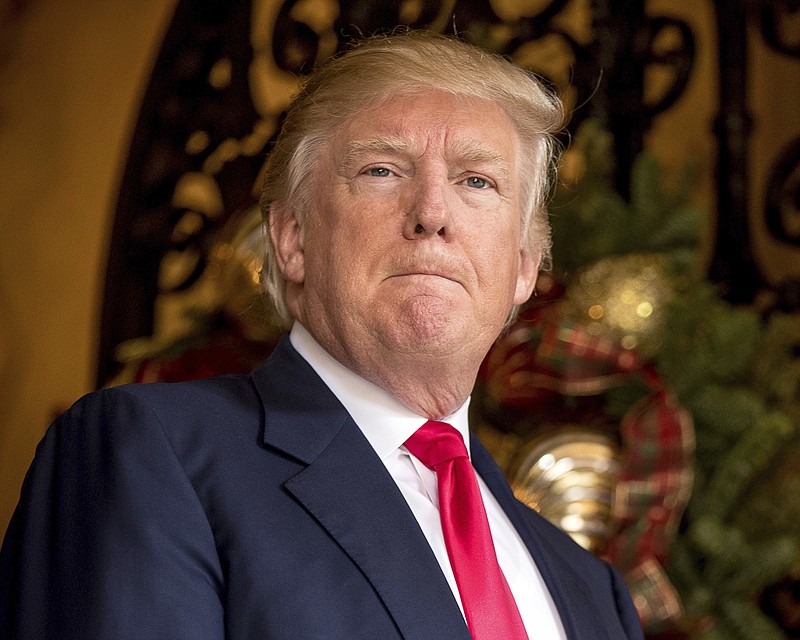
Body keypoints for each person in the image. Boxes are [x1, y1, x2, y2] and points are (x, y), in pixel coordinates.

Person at [0, 32, 643, 639]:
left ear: (524, 266)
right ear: (292, 238)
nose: (432, 214)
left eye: (477, 181)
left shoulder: (592, 592)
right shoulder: (150, 454)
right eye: (382, 170)